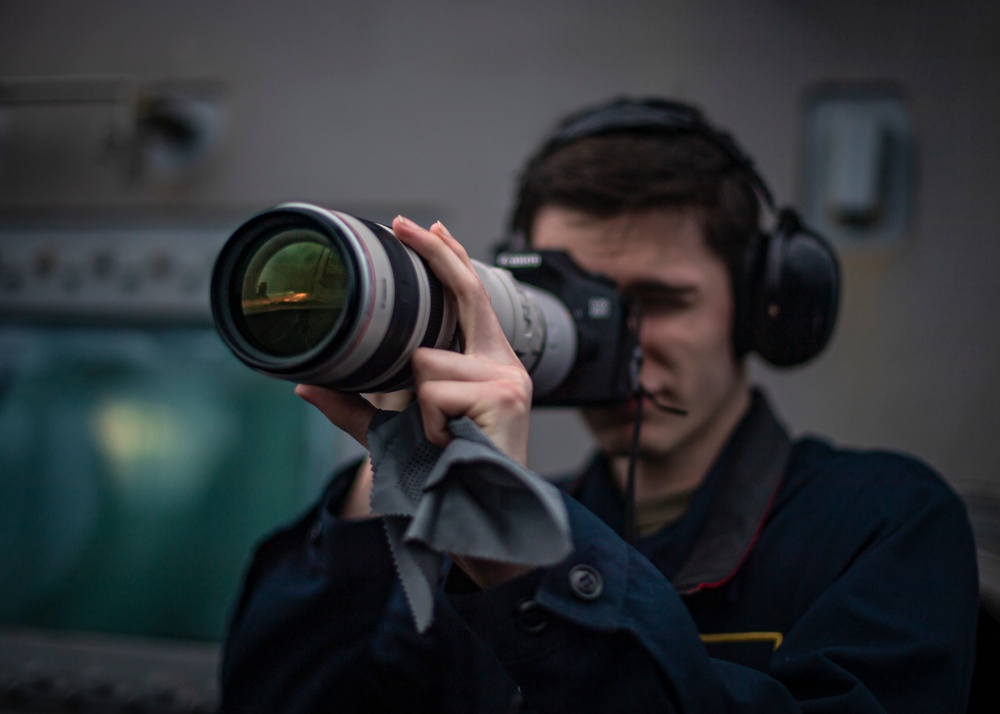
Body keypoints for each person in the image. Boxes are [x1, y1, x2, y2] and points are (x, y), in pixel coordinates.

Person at [219, 97, 979, 712]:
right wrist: (386, 482)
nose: (618, 339)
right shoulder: (477, 542)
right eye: (578, 303)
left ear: (760, 311)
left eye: (660, 300)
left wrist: (530, 561)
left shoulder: (886, 521)